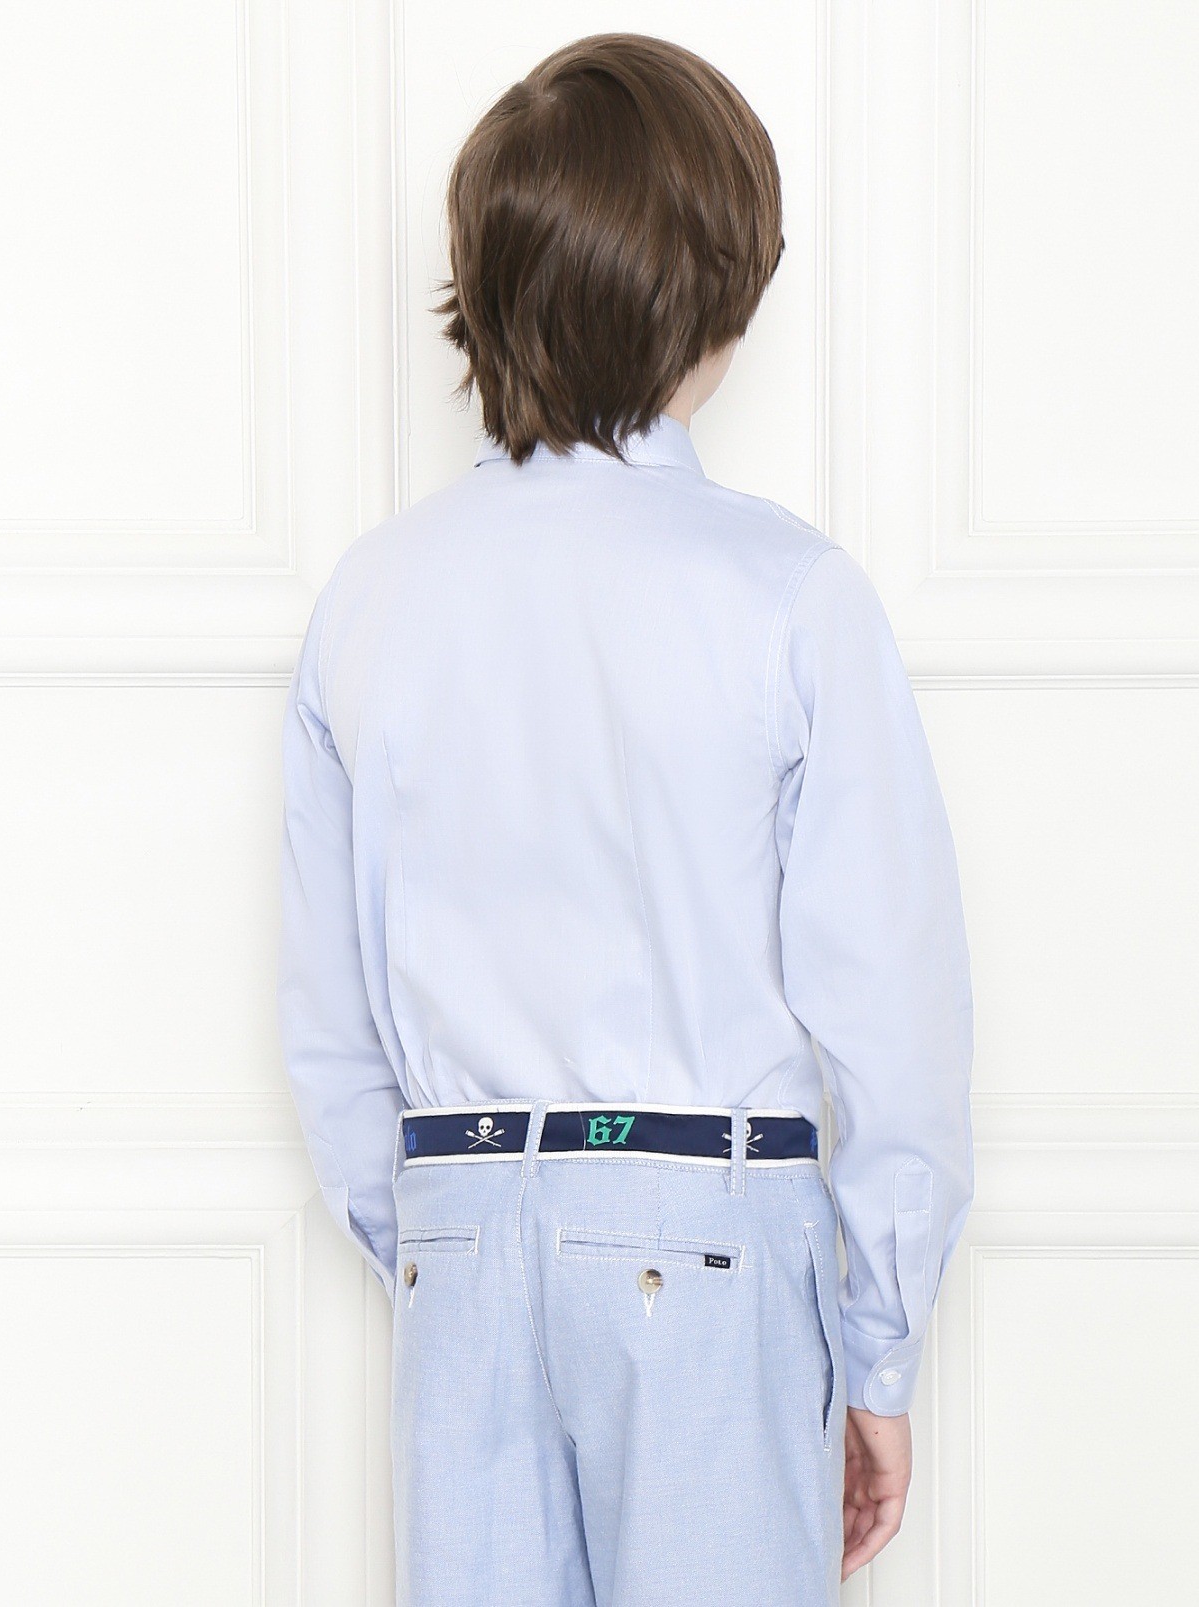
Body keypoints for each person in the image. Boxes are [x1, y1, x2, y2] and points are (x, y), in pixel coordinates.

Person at [277, 31, 974, 1606]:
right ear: (712, 295)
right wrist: (877, 1345)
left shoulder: (369, 601)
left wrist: (447, 1244)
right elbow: (895, 1016)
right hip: (707, 1237)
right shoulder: (789, 595)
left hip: (459, 1229)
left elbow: (331, 1037)